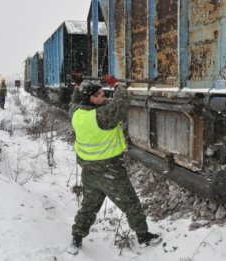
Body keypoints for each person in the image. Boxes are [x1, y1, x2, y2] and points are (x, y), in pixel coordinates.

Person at [66, 75, 160, 255]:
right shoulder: (102, 115)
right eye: (100, 94)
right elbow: (123, 101)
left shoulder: (75, 113)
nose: (105, 96)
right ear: (92, 98)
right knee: (131, 203)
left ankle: (77, 238)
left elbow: (74, 100)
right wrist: (116, 84)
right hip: (110, 171)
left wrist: (78, 86)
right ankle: (143, 237)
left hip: (89, 172)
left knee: (88, 207)